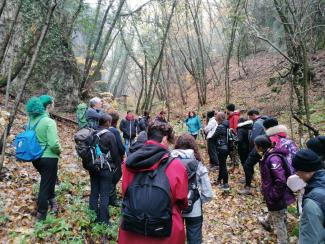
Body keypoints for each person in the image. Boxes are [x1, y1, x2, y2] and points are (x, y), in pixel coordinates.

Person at [119, 123, 188, 244]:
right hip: (166, 232)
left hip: (132, 230)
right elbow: (182, 200)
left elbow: (125, 192)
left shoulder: (129, 163)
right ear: (165, 139)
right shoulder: (176, 165)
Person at [171, 134, 213, 244]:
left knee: (173, 239)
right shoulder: (198, 165)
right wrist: (197, 201)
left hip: (173, 208)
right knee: (194, 238)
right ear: (193, 146)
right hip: (194, 209)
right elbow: (208, 193)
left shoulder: (168, 163)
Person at [26, 97, 62, 221]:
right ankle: (41, 214)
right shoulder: (49, 122)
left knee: (49, 180)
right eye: (53, 103)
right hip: (49, 157)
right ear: (48, 106)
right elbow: (53, 144)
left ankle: (53, 202)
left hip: (35, 158)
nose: (54, 105)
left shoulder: (31, 120)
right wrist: (60, 151)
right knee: (45, 185)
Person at [255, 135, 295, 243]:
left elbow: (280, 180)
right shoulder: (267, 156)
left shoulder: (273, 159)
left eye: (256, 146)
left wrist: (273, 195)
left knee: (279, 222)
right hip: (275, 195)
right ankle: (267, 222)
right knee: (279, 216)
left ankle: (283, 241)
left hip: (278, 196)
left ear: (260, 147)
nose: (255, 148)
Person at [87, 114, 121, 226]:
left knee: (94, 192)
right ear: (107, 122)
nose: (111, 123)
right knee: (104, 194)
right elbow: (115, 154)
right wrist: (117, 166)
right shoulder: (110, 135)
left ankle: (92, 216)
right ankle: (104, 220)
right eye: (110, 122)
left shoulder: (92, 132)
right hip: (105, 168)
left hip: (93, 167)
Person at [292, 149, 325, 243]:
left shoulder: (313, 202)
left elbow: (309, 239)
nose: (297, 174)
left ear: (307, 170)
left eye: (298, 170)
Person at [239, 109, 268, 195]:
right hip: (266, 147)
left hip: (259, 148)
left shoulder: (257, 123)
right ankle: (264, 186)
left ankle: (248, 187)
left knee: (247, 165)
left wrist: (252, 149)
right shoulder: (264, 120)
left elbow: (254, 138)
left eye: (250, 116)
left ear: (254, 115)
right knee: (262, 167)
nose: (249, 118)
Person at [108, 111, 125, 207]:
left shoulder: (103, 129)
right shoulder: (114, 131)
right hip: (115, 158)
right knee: (115, 177)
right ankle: (112, 200)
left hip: (106, 158)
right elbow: (120, 147)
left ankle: (108, 197)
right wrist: (123, 154)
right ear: (116, 121)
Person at [214, 112, 230, 191]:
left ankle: (226, 184)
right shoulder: (228, 124)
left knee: (223, 166)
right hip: (227, 147)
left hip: (221, 148)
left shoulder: (220, 126)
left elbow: (214, 136)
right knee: (222, 164)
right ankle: (219, 179)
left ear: (219, 118)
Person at [226, 104, 240, 169]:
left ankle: (236, 166)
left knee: (235, 152)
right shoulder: (230, 116)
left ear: (228, 109)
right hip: (229, 137)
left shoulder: (235, 117)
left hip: (233, 137)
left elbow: (236, 127)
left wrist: (234, 136)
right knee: (231, 152)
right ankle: (233, 165)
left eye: (227, 109)